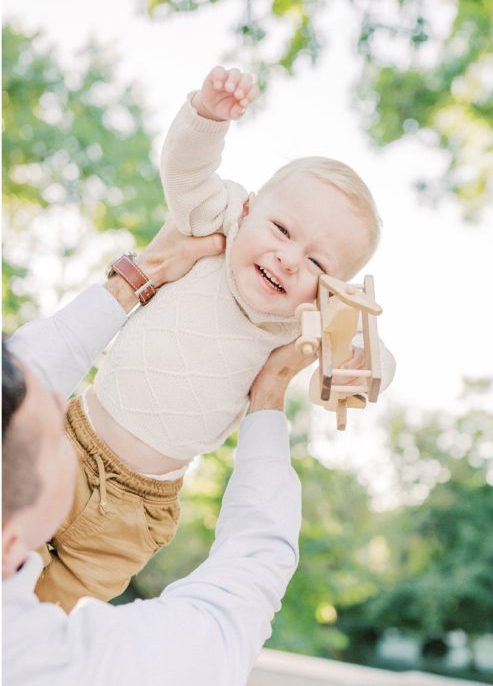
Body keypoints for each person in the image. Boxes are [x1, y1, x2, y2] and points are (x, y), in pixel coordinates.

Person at [2, 222, 314, 686]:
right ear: (18, 530)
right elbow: (254, 564)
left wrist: (132, 278)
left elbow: (28, 374)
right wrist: (268, 403)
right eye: (61, 442)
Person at [36, 64, 395, 612]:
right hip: (68, 441)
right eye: (281, 229)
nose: (289, 258)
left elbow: (368, 353)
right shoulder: (219, 226)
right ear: (247, 208)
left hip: (136, 509)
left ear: (331, 290)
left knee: (50, 620)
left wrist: (359, 361)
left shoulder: (297, 323)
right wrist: (208, 117)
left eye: (318, 263)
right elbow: (184, 172)